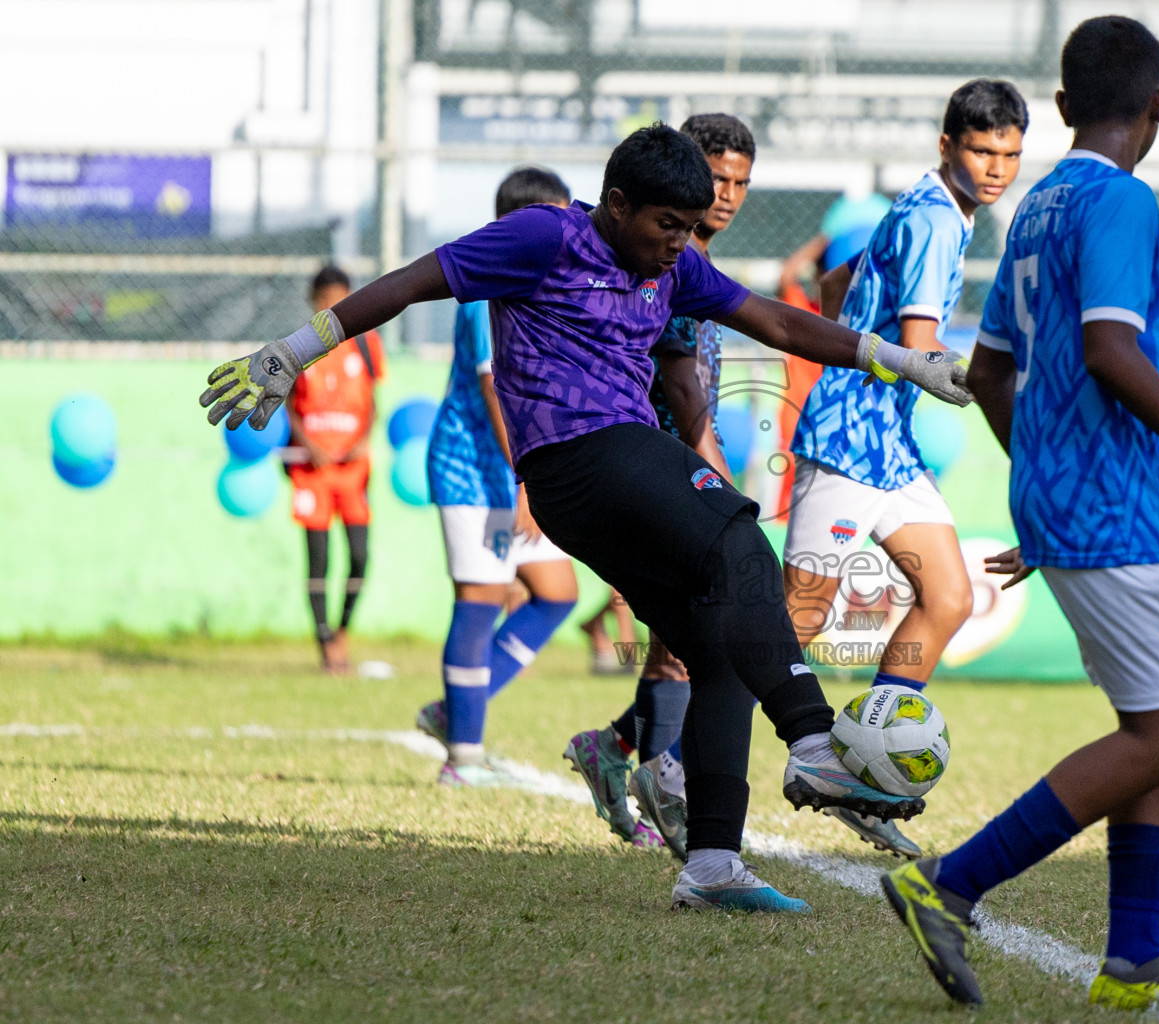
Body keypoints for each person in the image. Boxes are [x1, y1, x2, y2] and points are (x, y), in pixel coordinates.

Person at [201, 123, 971, 913]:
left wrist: (903, 359)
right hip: (582, 457)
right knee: (742, 540)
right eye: (665, 224)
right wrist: (294, 350)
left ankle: (711, 864)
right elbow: (408, 283)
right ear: (616, 203)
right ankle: (814, 743)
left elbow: (776, 321)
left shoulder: (675, 266)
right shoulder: (544, 236)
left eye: (688, 225)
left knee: (718, 641)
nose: (678, 243)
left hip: (602, 479)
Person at [880, 18, 1159, 1009]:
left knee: (1156, 723)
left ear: (1061, 110)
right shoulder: (1120, 202)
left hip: (1079, 498)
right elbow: (1111, 348)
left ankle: (1133, 962)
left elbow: (986, 371)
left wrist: (1047, 481)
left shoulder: (1037, 206)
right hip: (1120, 504)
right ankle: (949, 880)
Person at [783, 79, 1027, 858]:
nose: (997, 168)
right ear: (947, 144)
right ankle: (659, 748)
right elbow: (921, 346)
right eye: (983, 151)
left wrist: (856, 350)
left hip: (887, 445)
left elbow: (832, 286)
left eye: (1010, 154)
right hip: (849, 444)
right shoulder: (936, 223)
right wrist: (968, 379)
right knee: (795, 621)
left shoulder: (926, 205)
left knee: (949, 595)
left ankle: (864, 760)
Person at [563, 113, 755, 863]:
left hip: (677, 455)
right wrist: (702, 454)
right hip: (645, 460)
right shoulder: (652, 253)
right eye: (717, 180)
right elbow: (668, 373)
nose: (727, 195)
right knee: (700, 635)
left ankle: (619, 750)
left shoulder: (689, 256)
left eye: (740, 181)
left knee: (682, 641)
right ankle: (667, 780)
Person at [412, 166, 582, 789]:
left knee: (557, 592)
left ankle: (454, 711)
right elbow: (494, 389)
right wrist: (526, 480)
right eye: (562, 216)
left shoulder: (529, 278)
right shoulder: (489, 285)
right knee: (480, 601)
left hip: (507, 472)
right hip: (477, 471)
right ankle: (463, 759)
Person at [284, 265, 385, 673]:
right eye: (325, 301)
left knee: (360, 556)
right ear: (313, 302)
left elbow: (374, 399)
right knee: (319, 560)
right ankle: (324, 639)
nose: (333, 308)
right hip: (313, 471)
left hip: (353, 470)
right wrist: (307, 444)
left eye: (340, 299)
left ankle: (343, 628)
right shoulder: (299, 347)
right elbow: (287, 405)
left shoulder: (364, 343)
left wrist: (364, 438)